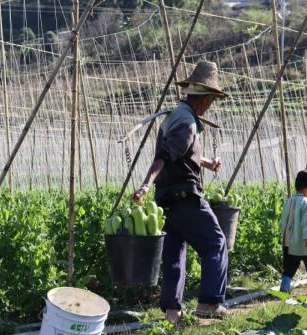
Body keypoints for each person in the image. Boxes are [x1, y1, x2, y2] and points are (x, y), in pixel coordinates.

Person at [131, 61, 229, 324]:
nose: (211, 104)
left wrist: (206, 163)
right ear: (206, 98)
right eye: (212, 99)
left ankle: (173, 314)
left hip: (166, 202)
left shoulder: (176, 117)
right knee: (215, 243)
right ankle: (209, 304)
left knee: (174, 254)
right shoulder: (186, 122)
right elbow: (164, 156)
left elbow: (180, 154)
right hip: (186, 198)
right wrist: (145, 183)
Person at [278, 170, 307, 294]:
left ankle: (284, 287)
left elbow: (283, 222)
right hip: (304, 242)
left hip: (289, 243)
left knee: (289, 268)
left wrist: (284, 235)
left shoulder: (289, 201)